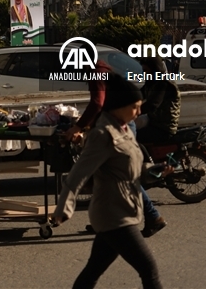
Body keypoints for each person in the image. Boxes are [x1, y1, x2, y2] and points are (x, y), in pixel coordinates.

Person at [51, 77, 164, 289]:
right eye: (134, 107)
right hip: (113, 215)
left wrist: (156, 172)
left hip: (125, 209)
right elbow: (78, 174)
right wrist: (63, 207)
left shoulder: (125, 130)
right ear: (118, 107)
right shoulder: (102, 135)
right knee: (148, 269)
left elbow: (134, 171)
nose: (138, 112)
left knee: (93, 271)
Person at [64, 59, 167, 239]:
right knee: (106, 175)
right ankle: (105, 222)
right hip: (119, 125)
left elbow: (97, 103)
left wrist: (79, 126)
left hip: (118, 127)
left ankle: (153, 216)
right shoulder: (103, 70)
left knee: (122, 176)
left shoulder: (96, 74)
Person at [135, 57, 180, 145]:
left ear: (154, 70)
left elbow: (153, 104)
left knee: (134, 136)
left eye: (145, 70)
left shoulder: (163, 84)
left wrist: (134, 111)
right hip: (154, 122)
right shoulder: (151, 83)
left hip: (164, 128)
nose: (143, 73)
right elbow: (138, 96)